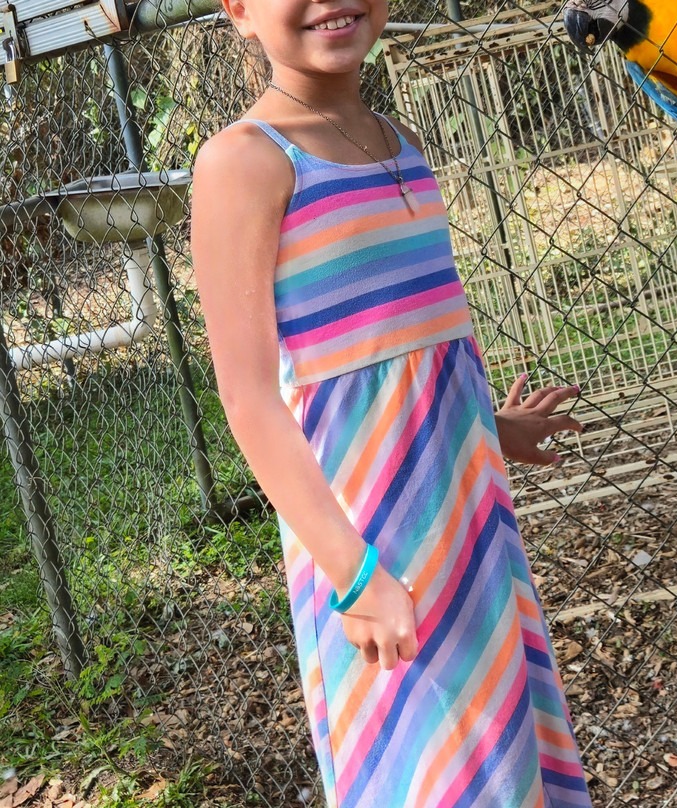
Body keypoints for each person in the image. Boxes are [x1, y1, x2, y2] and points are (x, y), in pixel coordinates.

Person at [189, 1, 595, 806]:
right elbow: (249, 398)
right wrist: (352, 573)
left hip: (466, 522)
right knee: (426, 765)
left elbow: (413, 348)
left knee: (500, 749)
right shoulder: (246, 162)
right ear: (238, 10)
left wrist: (487, 422)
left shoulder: (400, 142)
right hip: (370, 543)